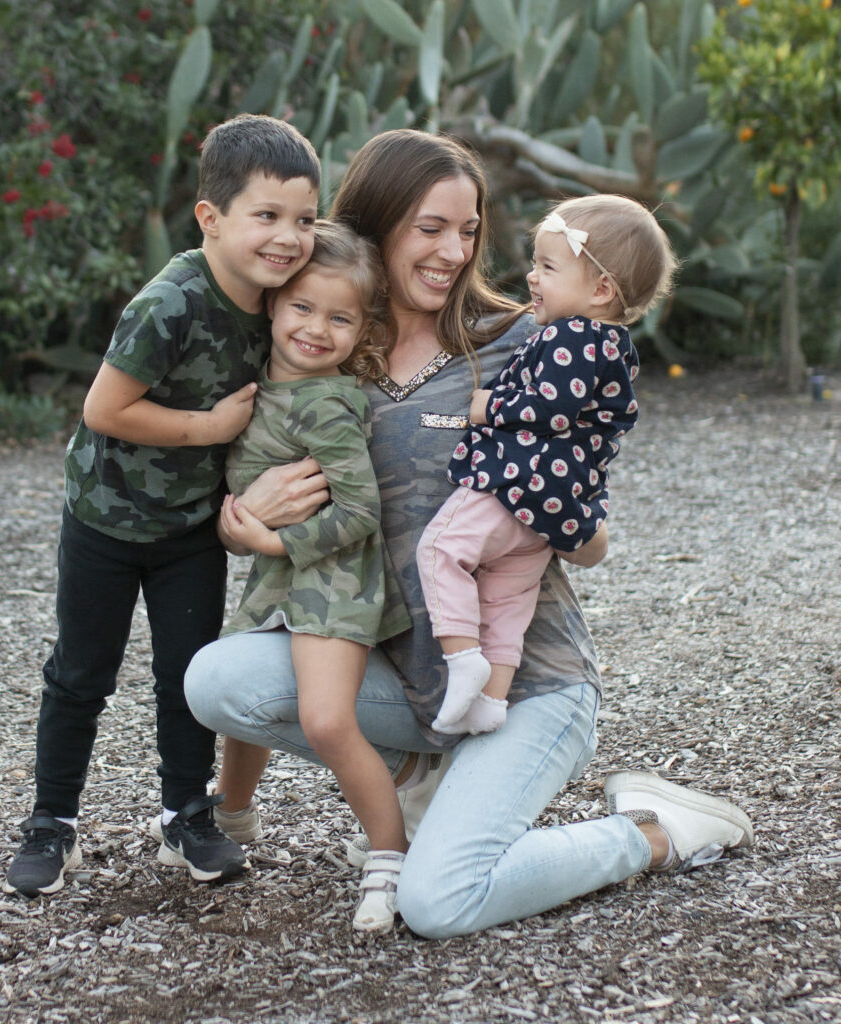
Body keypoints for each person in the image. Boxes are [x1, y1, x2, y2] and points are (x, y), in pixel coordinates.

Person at [185, 129, 753, 939]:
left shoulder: (529, 342)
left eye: (470, 228)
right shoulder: (325, 337)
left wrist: (559, 519)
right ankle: (422, 777)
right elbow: (259, 475)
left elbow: (591, 534)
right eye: (431, 227)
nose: (455, 250)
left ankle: (654, 831)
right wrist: (243, 524)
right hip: (411, 682)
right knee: (219, 680)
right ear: (377, 223)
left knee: (437, 903)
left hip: (526, 686)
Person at [3, 113, 322, 897]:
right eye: (267, 216)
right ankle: (52, 822)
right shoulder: (172, 302)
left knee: (188, 676)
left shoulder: (285, 304)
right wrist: (209, 428)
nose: (288, 237)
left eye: (305, 219)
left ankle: (186, 814)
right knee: (82, 673)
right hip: (106, 521)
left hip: (189, 530)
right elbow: (104, 410)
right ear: (210, 219)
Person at [217, 220, 413, 932]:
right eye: (302, 307)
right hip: (277, 579)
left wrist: (276, 536)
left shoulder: (327, 401)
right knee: (243, 713)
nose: (316, 329)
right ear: (272, 304)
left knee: (326, 721)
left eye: (339, 318)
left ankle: (390, 857)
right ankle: (232, 817)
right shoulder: (258, 384)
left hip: (331, 581)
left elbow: (361, 510)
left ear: (361, 329)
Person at [421, 195, 676, 737]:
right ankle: (491, 701)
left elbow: (550, 410)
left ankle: (463, 661)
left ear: (601, 289)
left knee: (443, 549)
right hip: (552, 507)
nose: (533, 277)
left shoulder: (571, 336)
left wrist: (487, 405)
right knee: (508, 598)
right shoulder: (613, 344)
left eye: (548, 267)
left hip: (517, 482)